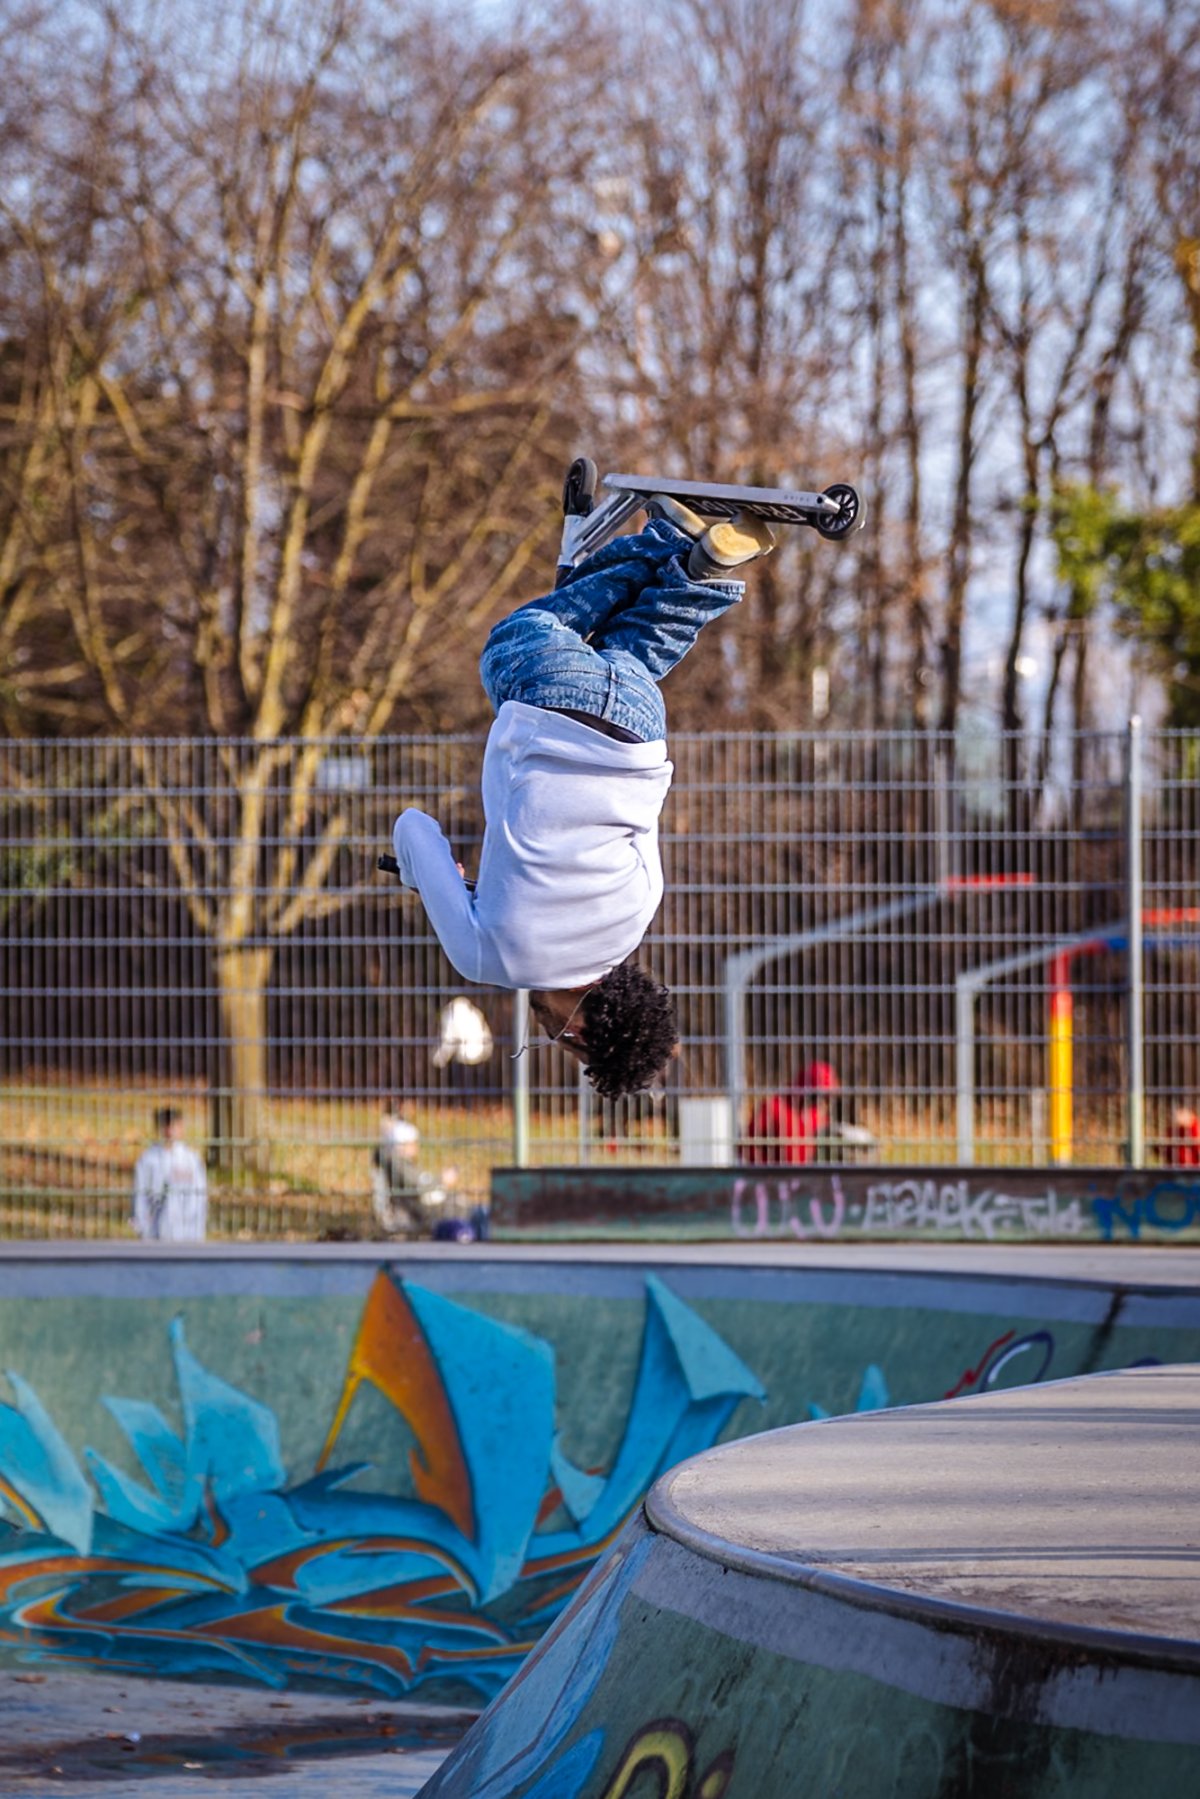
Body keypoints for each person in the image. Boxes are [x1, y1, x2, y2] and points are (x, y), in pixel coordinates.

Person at [390, 502, 776, 1100]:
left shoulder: (633, 923)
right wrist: (422, 877)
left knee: (631, 652)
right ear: (580, 1035)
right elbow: (414, 827)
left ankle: (703, 573)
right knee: (518, 638)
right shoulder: (487, 958)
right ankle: (664, 539)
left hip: (639, 734)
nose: (547, 1036)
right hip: (548, 705)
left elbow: (632, 822)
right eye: (565, 1045)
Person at [370, 1110, 459, 1237]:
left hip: (413, 1208)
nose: (416, 1147)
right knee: (456, 1206)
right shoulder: (398, 1164)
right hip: (408, 1212)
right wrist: (441, 1180)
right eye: (413, 1143)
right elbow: (418, 1187)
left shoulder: (401, 1163)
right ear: (403, 1144)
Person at [131, 1106, 208, 1242]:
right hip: (156, 1234)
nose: (170, 1131)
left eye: (174, 1126)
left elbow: (199, 1198)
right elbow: (140, 1197)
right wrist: (144, 1229)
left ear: (181, 1127)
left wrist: (195, 1231)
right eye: (165, 1126)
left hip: (187, 1234)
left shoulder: (191, 1160)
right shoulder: (148, 1159)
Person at [742, 1061, 841, 1166]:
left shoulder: (816, 1114)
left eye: (827, 1098)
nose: (823, 1103)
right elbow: (748, 1144)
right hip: (772, 1175)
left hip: (805, 1175)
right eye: (819, 1097)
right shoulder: (774, 1107)